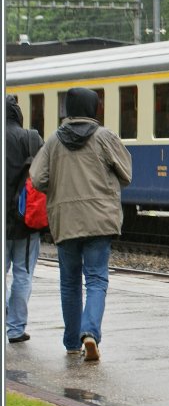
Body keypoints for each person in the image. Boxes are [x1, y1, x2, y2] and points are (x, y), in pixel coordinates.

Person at [29, 87, 132, 361]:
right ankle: (90, 333)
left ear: (68, 110)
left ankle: (72, 342)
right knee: (96, 278)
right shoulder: (104, 137)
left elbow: (37, 179)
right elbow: (126, 173)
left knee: (70, 283)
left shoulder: (53, 142)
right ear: (94, 108)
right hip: (100, 219)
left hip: (65, 221)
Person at [5, 95, 44, 344]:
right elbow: (43, 177)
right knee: (22, 273)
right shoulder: (31, 138)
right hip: (24, 219)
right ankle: (16, 329)